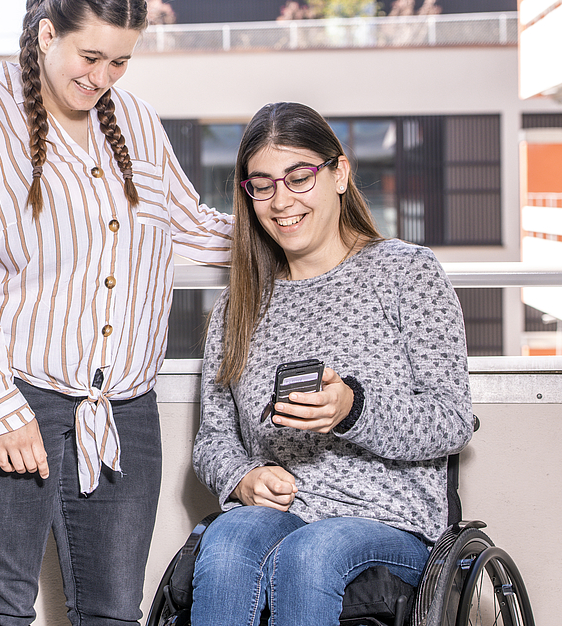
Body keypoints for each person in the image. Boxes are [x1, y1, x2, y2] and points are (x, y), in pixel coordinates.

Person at [0, 0, 233, 626]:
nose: (101, 78)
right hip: (12, 389)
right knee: (3, 607)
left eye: (119, 62)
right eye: (90, 56)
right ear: (45, 35)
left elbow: (191, 230)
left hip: (123, 405)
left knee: (116, 612)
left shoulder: (138, 127)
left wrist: (301, 234)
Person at [190, 101, 474, 625]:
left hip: (392, 520)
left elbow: (452, 420)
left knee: (312, 552)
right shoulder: (239, 304)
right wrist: (242, 477)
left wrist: (352, 408)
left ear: (340, 173)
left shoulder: (406, 273)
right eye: (263, 184)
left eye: (299, 177)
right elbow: (213, 439)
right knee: (227, 541)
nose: (281, 201)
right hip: (281, 510)